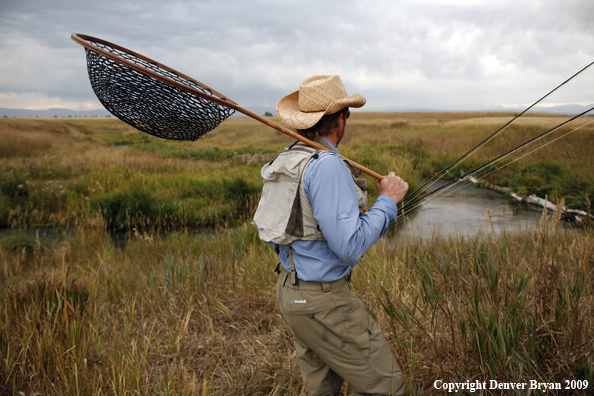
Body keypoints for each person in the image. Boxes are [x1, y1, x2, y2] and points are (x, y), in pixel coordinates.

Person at [252, 75, 409, 396]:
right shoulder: (327, 165)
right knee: (389, 387)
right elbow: (349, 247)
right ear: (340, 119)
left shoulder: (289, 158)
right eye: (346, 115)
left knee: (321, 388)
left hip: (291, 292)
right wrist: (388, 202)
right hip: (323, 301)